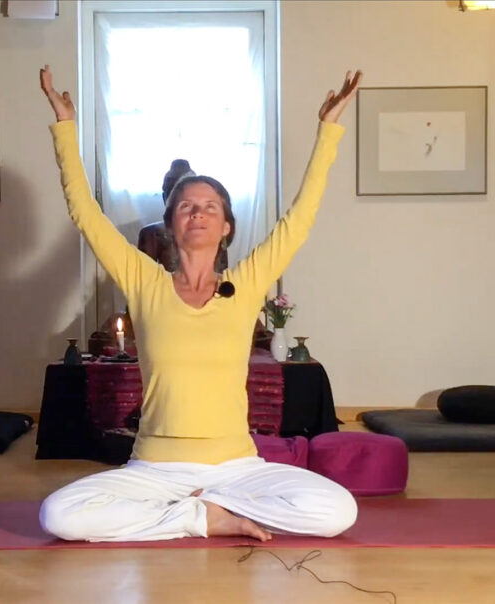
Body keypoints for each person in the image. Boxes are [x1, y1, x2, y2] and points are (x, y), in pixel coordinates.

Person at [38, 65, 362, 542]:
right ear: (170, 223)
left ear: (226, 226)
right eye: (187, 206)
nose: (199, 213)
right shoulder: (144, 281)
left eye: (211, 206)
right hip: (154, 468)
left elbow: (299, 219)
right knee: (58, 515)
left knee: (338, 511)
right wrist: (65, 127)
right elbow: (86, 214)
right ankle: (198, 517)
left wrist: (328, 129)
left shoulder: (245, 283)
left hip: (236, 468)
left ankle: (202, 509)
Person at [138, 159, 229, 273]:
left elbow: (221, 274)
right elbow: (144, 277)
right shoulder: (151, 234)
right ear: (165, 198)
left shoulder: (214, 232)